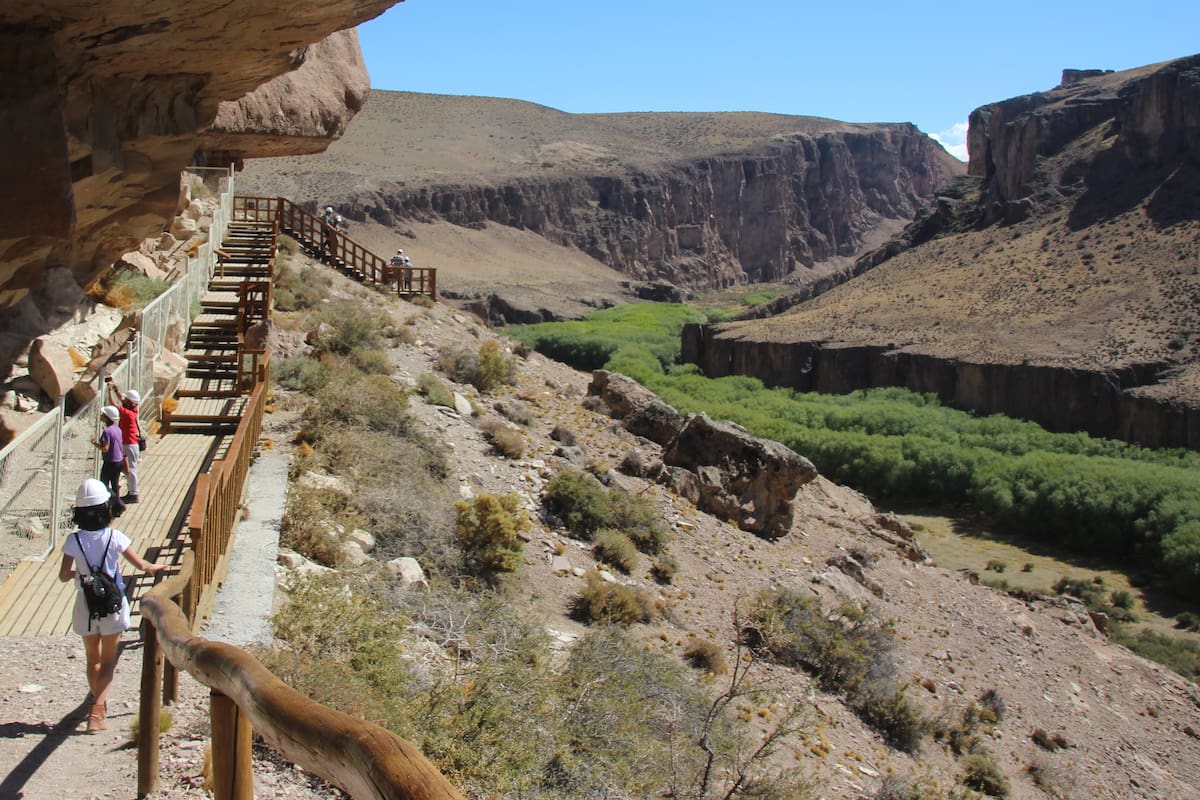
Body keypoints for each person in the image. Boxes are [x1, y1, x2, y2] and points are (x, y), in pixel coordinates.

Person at [59, 478, 167, 733]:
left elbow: (64, 574)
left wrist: (83, 576)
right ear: (105, 509)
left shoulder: (73, 541)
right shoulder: (114, 537)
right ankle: (97, 712)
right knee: (109, 661)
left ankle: (98, 705)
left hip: (86, 605)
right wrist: (156, 568)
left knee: (93, 659)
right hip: (113, 604)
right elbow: (142, 565)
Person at [105, 377, 141, 503]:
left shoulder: (127, 413)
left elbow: (114, 404)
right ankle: (132, 491)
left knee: (130, 468)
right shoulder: (133, 409)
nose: (124, 400)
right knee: (129, 468)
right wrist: (115, 388)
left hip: (129, 444)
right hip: (131, 444)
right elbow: (122, 399)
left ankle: (134, 493)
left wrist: (109, 390)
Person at [91, 405, 127, 518]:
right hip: (119, 460)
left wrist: (94, 443)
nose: (101, 416)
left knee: (103, 484)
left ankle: (117, 503)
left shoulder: (107, 431)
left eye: (103, 415)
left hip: (110, 462)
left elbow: (105, 448)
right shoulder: (117, 429)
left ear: (107, 417)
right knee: (115, 484)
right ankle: (116, 509)